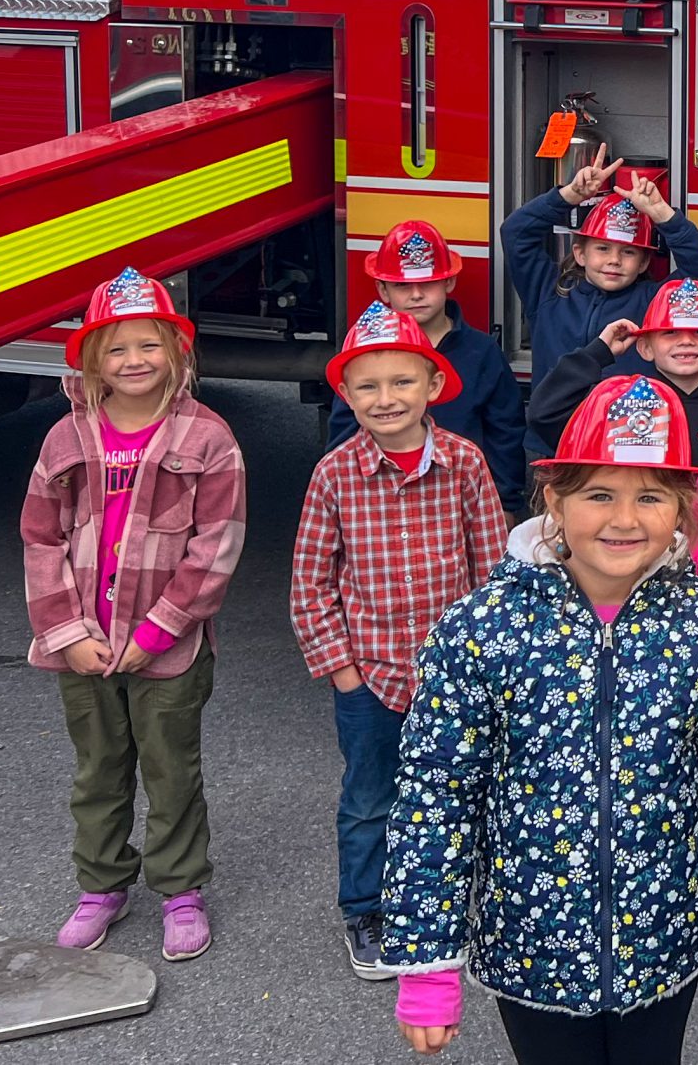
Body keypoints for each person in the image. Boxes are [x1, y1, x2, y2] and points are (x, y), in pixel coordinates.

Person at [384, 375, 698, 1063]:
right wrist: (427, 961)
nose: (624, 520)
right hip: (531, 943)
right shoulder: (484, 627)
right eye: (599, 494)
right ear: (555, 498)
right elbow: (438, 797)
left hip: (665, 939)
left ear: (684, 509)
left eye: (652, 497)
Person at [20, 268, 245, 962]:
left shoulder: (208, 439)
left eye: (149, 345)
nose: (134, 361)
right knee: (99, 768)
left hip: (167, 648)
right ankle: (101, 885)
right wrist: (67, 634)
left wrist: (157, 631)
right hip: (82, 646)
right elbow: (40, 537)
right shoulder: (64, 440)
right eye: (116, 350)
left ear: (178, 352)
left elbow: (217, 546)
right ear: (92, 361)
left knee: (172, 768)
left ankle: (179, 889)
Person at [291, 302, 508, 978]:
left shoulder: (468, 465)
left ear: (434, 386)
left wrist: (487, 670)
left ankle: (452, 906)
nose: (385, 399)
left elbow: (493, 575)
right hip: (371, 678)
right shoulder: (333, 475)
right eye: (367, 386)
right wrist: (343, 672)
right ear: (346, 395)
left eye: (402, 382)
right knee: (370, 800)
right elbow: (311, 584)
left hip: (454, 682)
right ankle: (367, 910)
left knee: (461, 793)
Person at [502, 146, 698, 453]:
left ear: (644, 263)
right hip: (551, 446)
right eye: (602, 249)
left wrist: (661, 214)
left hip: (627, 445)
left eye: (628, 252)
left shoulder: (654, 301)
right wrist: (568, 196)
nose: (614, 260)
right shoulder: (549, 290)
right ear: (579, 253)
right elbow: (516, 233)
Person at [328, 220, 526, 515]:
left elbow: (505, 431)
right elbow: (343, 431)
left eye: (428, 283)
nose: (416, 294)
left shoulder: (481, 352)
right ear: (382, 289)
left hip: (462, 500)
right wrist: (343, 499)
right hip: (380, 500)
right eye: (402, 285)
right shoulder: (364, 352)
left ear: (449, 282)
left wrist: (506, 503)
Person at [529, 276, 698, 466]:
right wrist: (597, 353)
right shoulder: (622, 405)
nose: (686, 342)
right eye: (670, 332)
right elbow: (545, 415)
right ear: (645, 348)